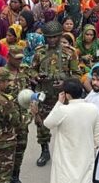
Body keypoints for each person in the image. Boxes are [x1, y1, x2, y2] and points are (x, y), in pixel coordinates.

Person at [26, 20, 81, 167]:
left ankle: (68, 153)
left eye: (55, 37)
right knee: (41, 125)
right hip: (44, 94)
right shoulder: (40, 52)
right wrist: (36, 76)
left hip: (63, 96)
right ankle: (44, 150)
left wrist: (65, 82)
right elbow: (32, 69)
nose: (51, 40)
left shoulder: (70, 53)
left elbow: (76, 74)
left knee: (67, 126)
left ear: (60, 36)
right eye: (48, 37)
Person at [42, 78, 99, 183]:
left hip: (65, 159)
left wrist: (59, 103)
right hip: (86, 156)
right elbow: (98, 136)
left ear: (67, 95)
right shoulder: (93, 108)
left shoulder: (63, 110)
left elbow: (47, 123)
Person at [5, 46, 34, 183]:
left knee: (20, 149)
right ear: (8, 57)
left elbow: (28, 90)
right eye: (16, 59)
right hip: (7, 121)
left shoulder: (24, 71)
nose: (19, 61)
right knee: (5, 152)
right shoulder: (1, 75)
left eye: (21, 58)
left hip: (23, 120)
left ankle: (15, 176)